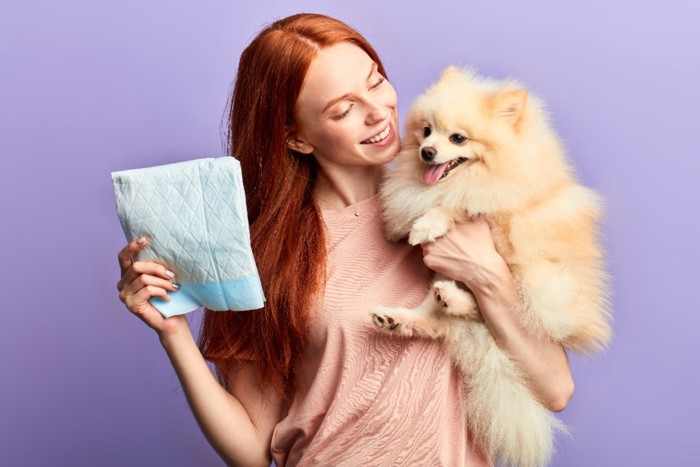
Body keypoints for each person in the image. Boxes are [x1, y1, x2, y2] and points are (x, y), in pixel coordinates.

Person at [116, 13, 574, 466]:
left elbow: (554, 390)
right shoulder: (264, 255)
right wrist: (173, 332)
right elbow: (252, 450)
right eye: (343, 109)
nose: (378, 113)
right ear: (296, 138)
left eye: (375, 82)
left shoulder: (466, 207)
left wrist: (487, 273)